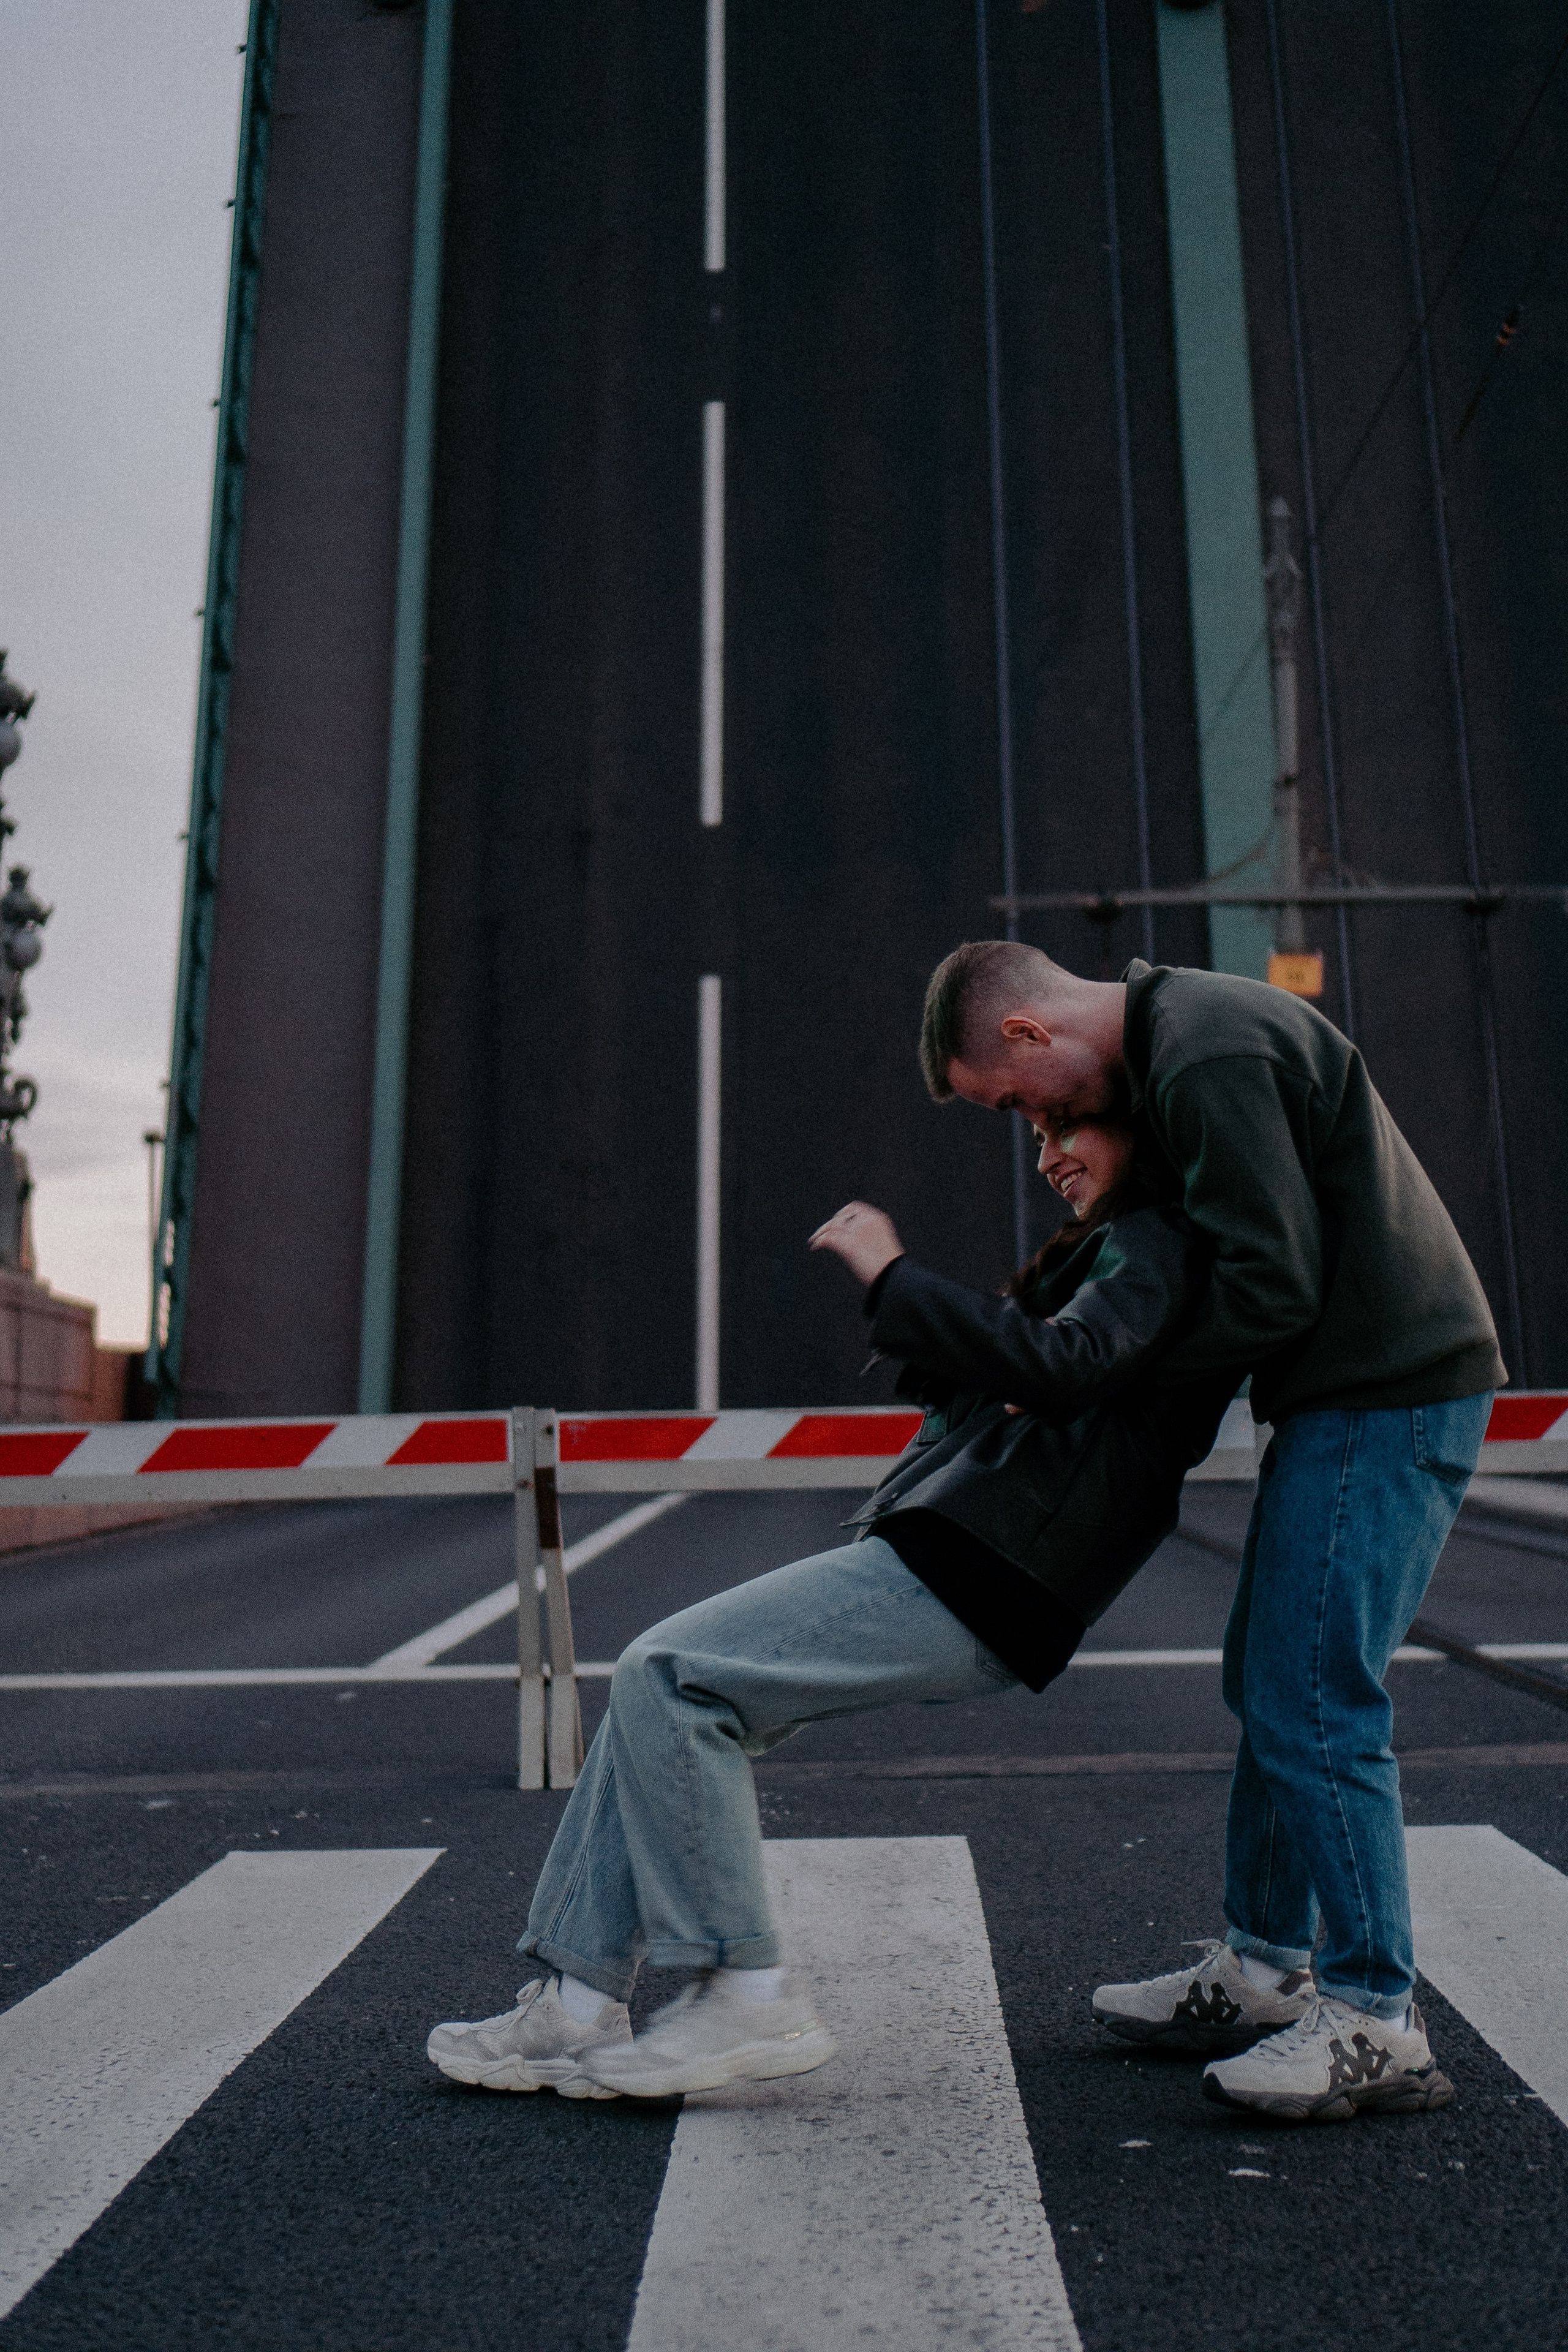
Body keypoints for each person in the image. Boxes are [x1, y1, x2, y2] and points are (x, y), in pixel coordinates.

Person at [426, 1112, 1236, 2103]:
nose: (1047, 1158)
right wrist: (993, 1354)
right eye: (1034, 1137)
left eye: (1064, 1126)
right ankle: (578, 2004)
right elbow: (1046, 1368)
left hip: (994, 1563)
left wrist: (893, 1274)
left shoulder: (1156, 1239)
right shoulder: (1117, 1247)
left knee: (672, 1677)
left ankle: (746, 1992)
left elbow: (1065, 1366)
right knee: (656, 1698)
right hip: (977, 1555)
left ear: (1136, 1125)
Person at [921, 938, 1503, 2124]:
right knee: (1271, 1679)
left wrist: (1098, 1381)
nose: (1032, 1127)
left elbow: (1269, 1284)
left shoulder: (1202, 1052)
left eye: (1013, 1101)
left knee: (1313, 1695)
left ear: (1027, 1032)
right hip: (1353, 1391)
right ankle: (1264, 1968)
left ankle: (1377, 2020)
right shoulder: (1182, 1039)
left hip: (1383, 1392)